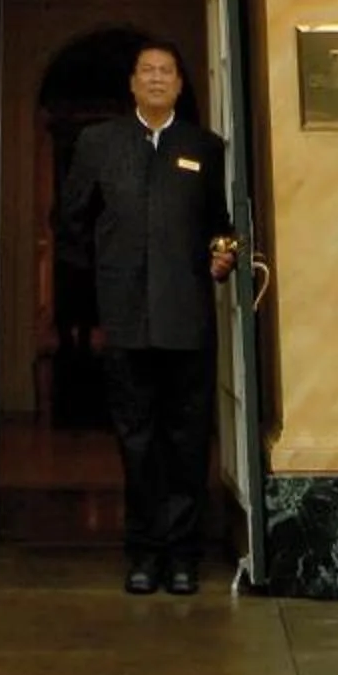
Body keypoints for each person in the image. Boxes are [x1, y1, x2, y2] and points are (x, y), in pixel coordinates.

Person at [56, 37, 238, 596]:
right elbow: (71, 222)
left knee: (187, 442)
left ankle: (183, 557)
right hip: (125, 317)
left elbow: (221, 225)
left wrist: (223, 256)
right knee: (136, 442)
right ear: (132, 83)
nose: (157, 78)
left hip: (187, 317)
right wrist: (103, 278)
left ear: (180, 85)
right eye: (147, 70)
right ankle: (143, 553)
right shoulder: (99, 143)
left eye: (167, 71)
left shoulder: (204, 147)